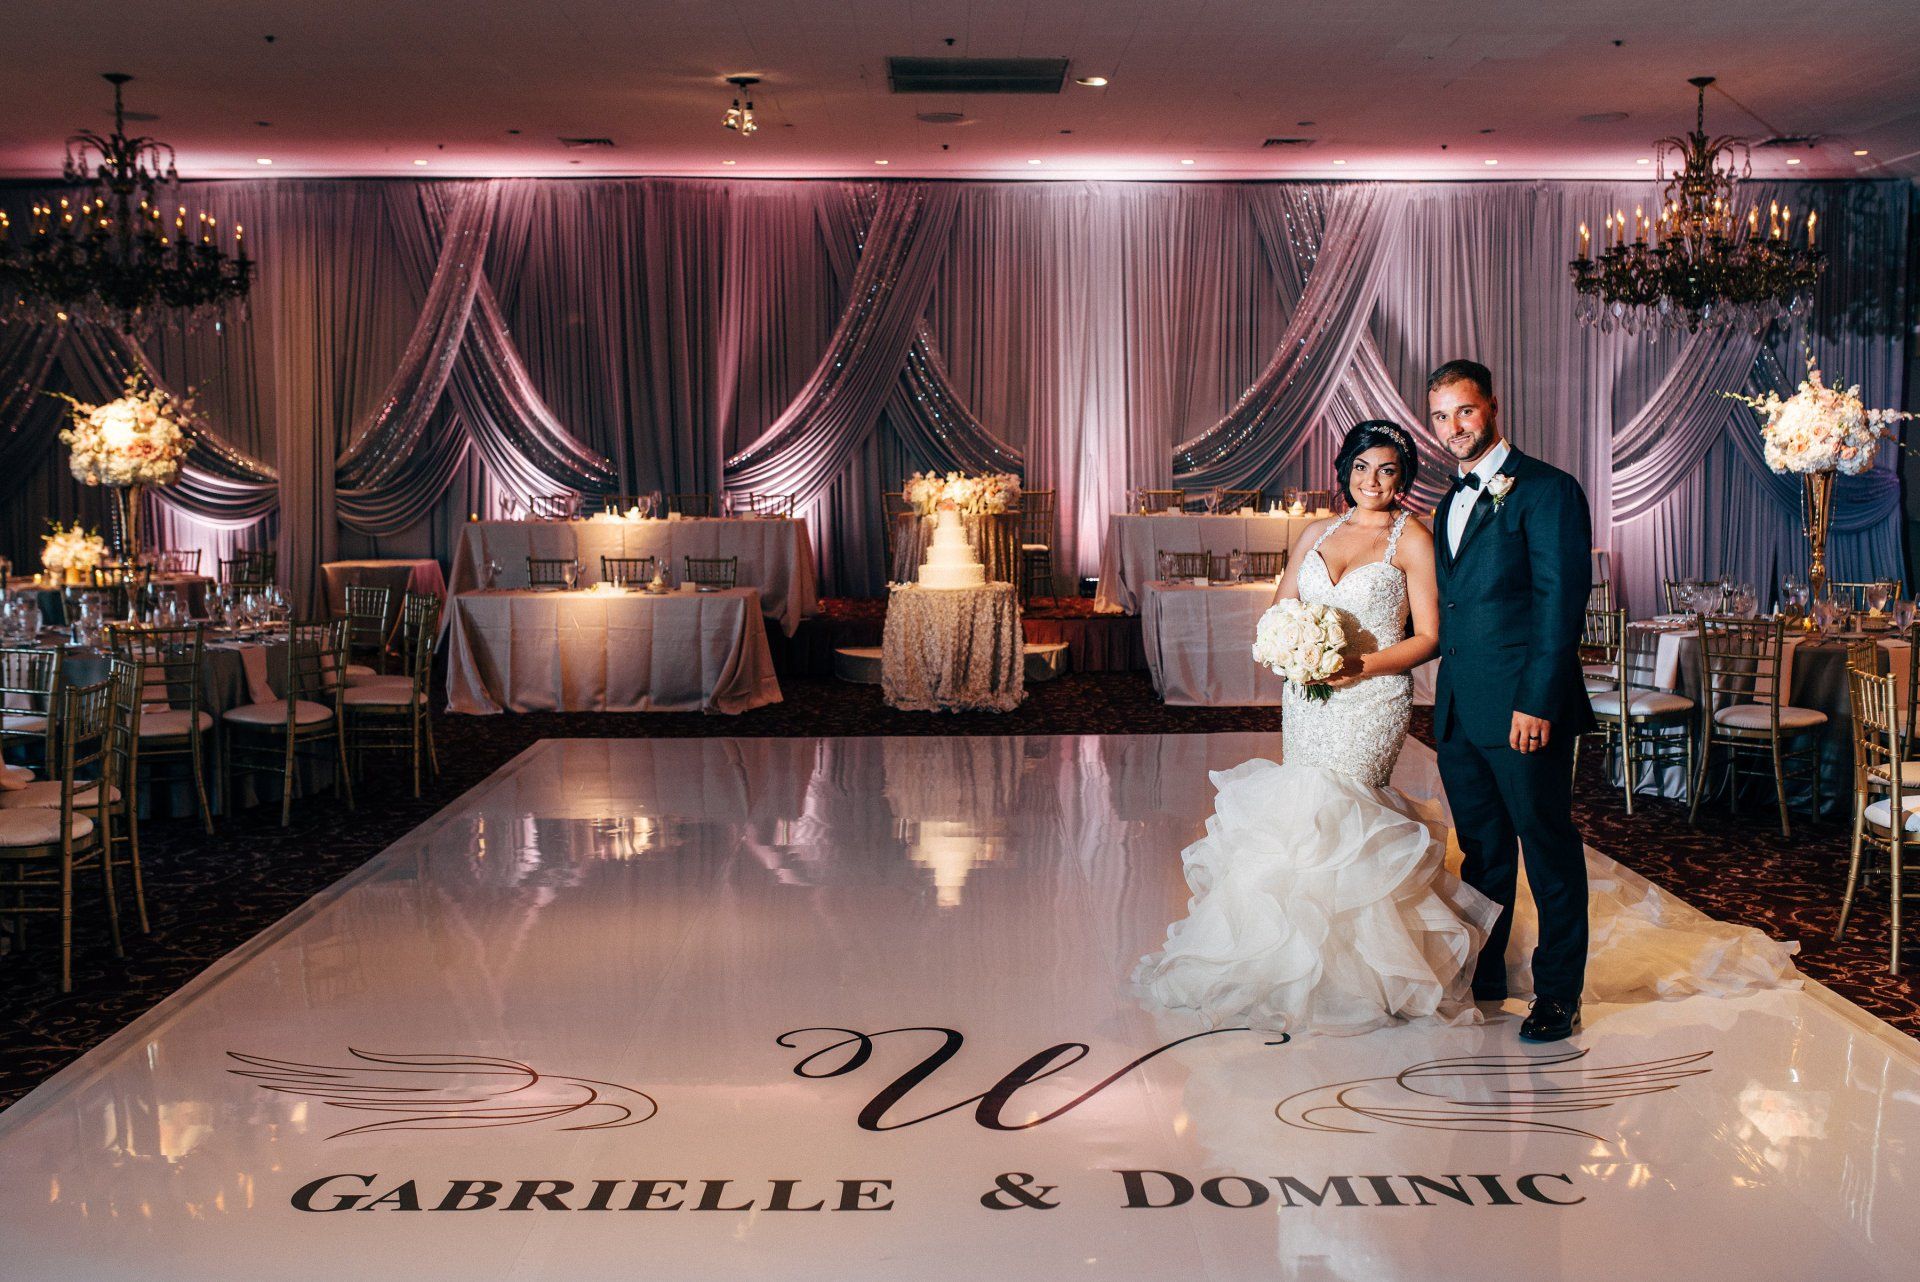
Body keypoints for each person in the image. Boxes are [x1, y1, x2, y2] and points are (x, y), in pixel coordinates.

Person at [1134, 420, 1499, 1035]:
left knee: (1349, 814)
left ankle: (1367, 977)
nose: (1372, 481)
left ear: (1403, 478)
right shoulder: (1315, 532)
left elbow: (1432, 637)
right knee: (1304, 819)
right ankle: (1296, 969)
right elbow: (1279, 609)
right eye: (1361, 468)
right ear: (1345, 473)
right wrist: (1290, 650)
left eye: (1386, 470)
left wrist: (1359, 666)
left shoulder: (1411, 538)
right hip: (1307, 698)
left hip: (1372, 696)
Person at [1426, 358, 1595, 1043]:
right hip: (1461, 710)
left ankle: (1558, 993)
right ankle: (1486, 975)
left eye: (1464, 411)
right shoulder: (1445, 503)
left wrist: (1538, 702)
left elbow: (1561, 604)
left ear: (1492, 407)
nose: (1453, 428)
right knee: (1483, 854)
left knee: (1547, 848)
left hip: (1526, 709)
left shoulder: (1548, 490)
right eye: (1440, 416)